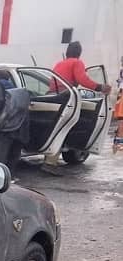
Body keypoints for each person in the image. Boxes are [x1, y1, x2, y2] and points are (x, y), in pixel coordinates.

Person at [43, 41, 111, 173]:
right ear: (79, 53)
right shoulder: (77, 62)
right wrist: (100, 87)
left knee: (56, 128)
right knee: (64, 128)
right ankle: (50, 163)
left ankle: (49, 159)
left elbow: (53, 82)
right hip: (67, 97)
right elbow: (82, 79)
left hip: (53, 96)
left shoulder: (59, 63)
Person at [0, 73, 30, 176]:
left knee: (0, 152)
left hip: (6, 125)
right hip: (20, 124)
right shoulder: (16, 89)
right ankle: (10, 175)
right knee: (13, 152)